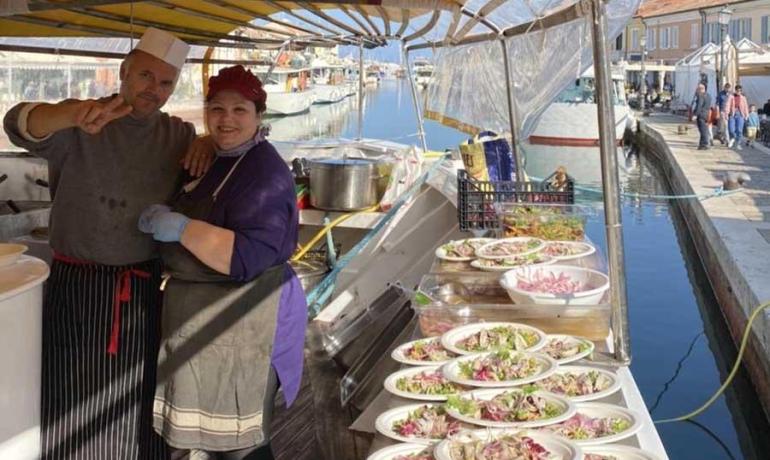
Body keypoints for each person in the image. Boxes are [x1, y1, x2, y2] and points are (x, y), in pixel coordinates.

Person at [3, 27, 213, 459]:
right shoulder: (82, 121)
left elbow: (214, 148)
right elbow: (17, 123)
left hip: (140, 287)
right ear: (124, 71)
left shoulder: (176, 134)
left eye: (166, 83)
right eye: (145, 77)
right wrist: (71, 113)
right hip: (75, 287)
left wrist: (208, 142)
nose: (154, 89)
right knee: (73, 394)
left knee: (135, 396)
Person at [140, 65, 307, 460]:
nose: (226, 119)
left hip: (250, 318)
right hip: (203, 318)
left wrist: (180, 228)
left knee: (242, 444)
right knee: (201, 442)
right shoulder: (215, 156)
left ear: (259, 116)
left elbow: (245, 257)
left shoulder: (265, 173)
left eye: (239, 110)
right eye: (216, 109)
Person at [726, 84, 749, 150]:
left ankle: (738, 143)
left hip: (740, 114)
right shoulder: (731, 96)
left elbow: (745, 107)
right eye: (738, 90)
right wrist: (726, 114)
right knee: (731, 129)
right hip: (732, 114)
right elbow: (727, 105)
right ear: (735, 90)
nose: (739, 92)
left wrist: (746, 115)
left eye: (740, 90)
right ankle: (733, 138)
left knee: (739, 130)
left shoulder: (743, 98)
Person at [692, 83, 711, 150]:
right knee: (704, 129)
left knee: (703, 130)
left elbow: (699, 106)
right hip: (706, 114)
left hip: (701, 114)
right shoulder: (708, 95)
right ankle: (702, 144)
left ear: (700, 89)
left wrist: (695, 115)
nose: (697, 90)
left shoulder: (700, 96)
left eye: (697, 89)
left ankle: (705, 144)